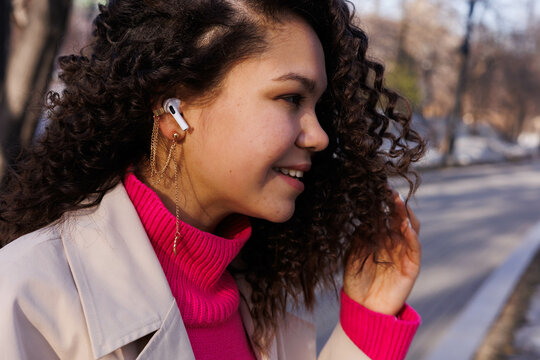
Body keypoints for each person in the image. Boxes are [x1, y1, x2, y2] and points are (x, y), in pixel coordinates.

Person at [0, 0, 425, 359]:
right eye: (291, 98)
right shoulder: (30, 296)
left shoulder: (260, 299)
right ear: (173, 109)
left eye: (317, 106)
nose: (318, 136)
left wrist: (368, 323)